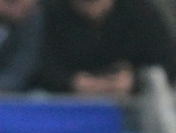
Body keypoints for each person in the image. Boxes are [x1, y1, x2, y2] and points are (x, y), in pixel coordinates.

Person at [35, 0, 176, 96]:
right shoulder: (50, 12)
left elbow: (167, 61)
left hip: (134, 103)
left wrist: (134, 81)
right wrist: (71, 82)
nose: (92, 10)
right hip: (68, 102)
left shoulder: (141, 12)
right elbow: (35, 62)